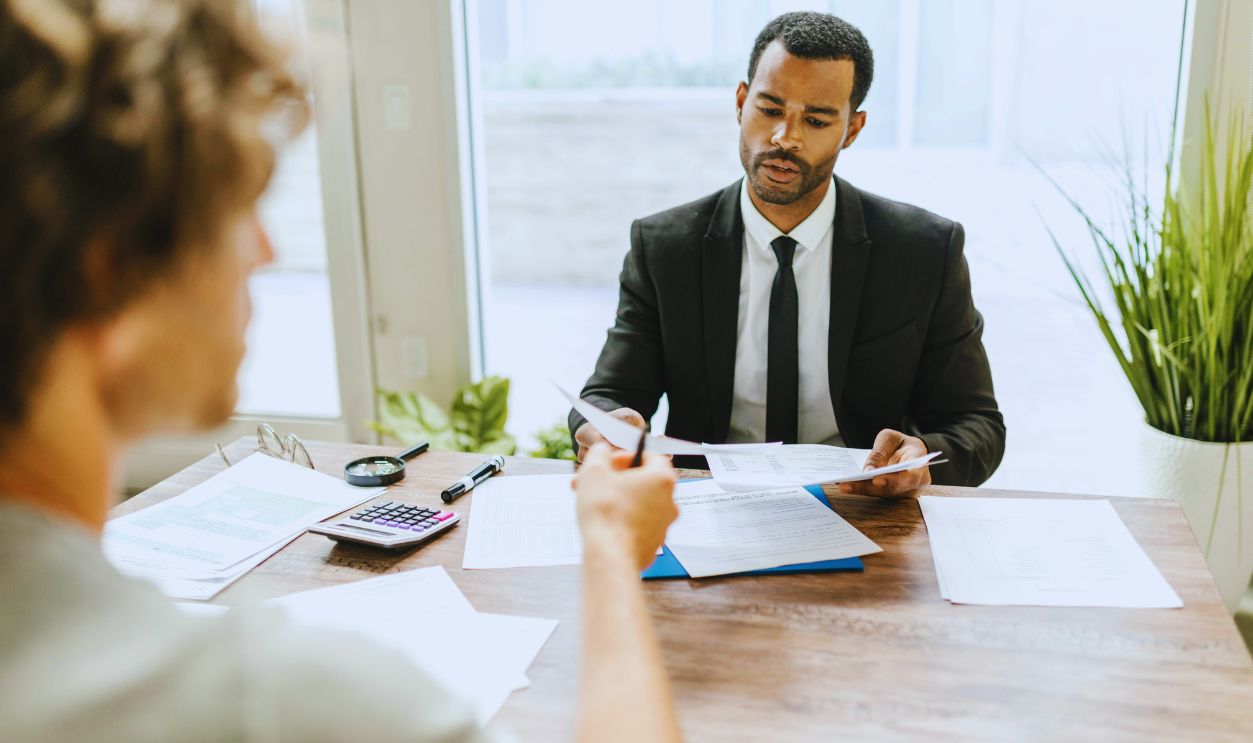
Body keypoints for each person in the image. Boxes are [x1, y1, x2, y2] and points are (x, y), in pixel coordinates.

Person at [0, 2, 680, 741]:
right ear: (111, 272)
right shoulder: (277, 706)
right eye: (238, 207)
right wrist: (610, 549)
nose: (265, 251)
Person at [570, 11, 1005, 495]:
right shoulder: (664, 247)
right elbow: (610, 394)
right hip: (706, 510)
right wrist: (606, 426)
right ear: (741, 102)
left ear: (853, 129)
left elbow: (977, 424)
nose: (785, 138)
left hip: (863, 509)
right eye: (770, 109)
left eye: (816, 120)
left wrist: (921, 457)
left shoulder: (925, 251)